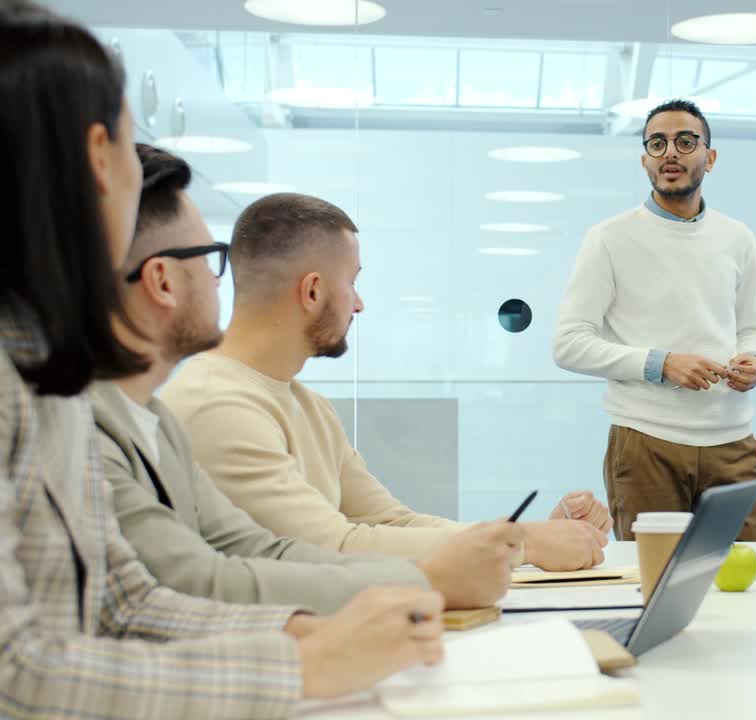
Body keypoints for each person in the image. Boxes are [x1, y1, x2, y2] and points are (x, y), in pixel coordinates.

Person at [0, 4, 444, 717]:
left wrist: (296, 636)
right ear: (95, 156)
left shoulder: (49, 374)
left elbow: (125, 601)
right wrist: (302, 666)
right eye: (126, 139)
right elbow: (15, 673)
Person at [93, 143, 519, 613]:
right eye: (209, 257)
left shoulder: (157, 420)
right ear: (162, 281)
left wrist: (490, 547)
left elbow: (265, 550)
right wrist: (435, 580)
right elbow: (206, 579)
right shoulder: (198, 407)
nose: (220, 280)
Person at [161, 191, 612, 571]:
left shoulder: (308, 404)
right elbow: (328, 549)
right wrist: (523, 545)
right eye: (352, 283)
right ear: (312, 290)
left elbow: (391, 523)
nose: (359, 304)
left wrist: (522, 535)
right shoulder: (216, 405)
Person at [552, 98, 756, 541]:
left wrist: (752, 356)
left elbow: (750, 327)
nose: (670, 152)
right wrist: (661, 364)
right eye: (657, 143)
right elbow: (568, 343)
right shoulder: (610, 238)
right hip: (646, 442)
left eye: (685, 141)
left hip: (733, 442)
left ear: (709, 157)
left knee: (748, 583)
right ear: (645, 160)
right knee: (653, 588)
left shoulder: (738, 237)